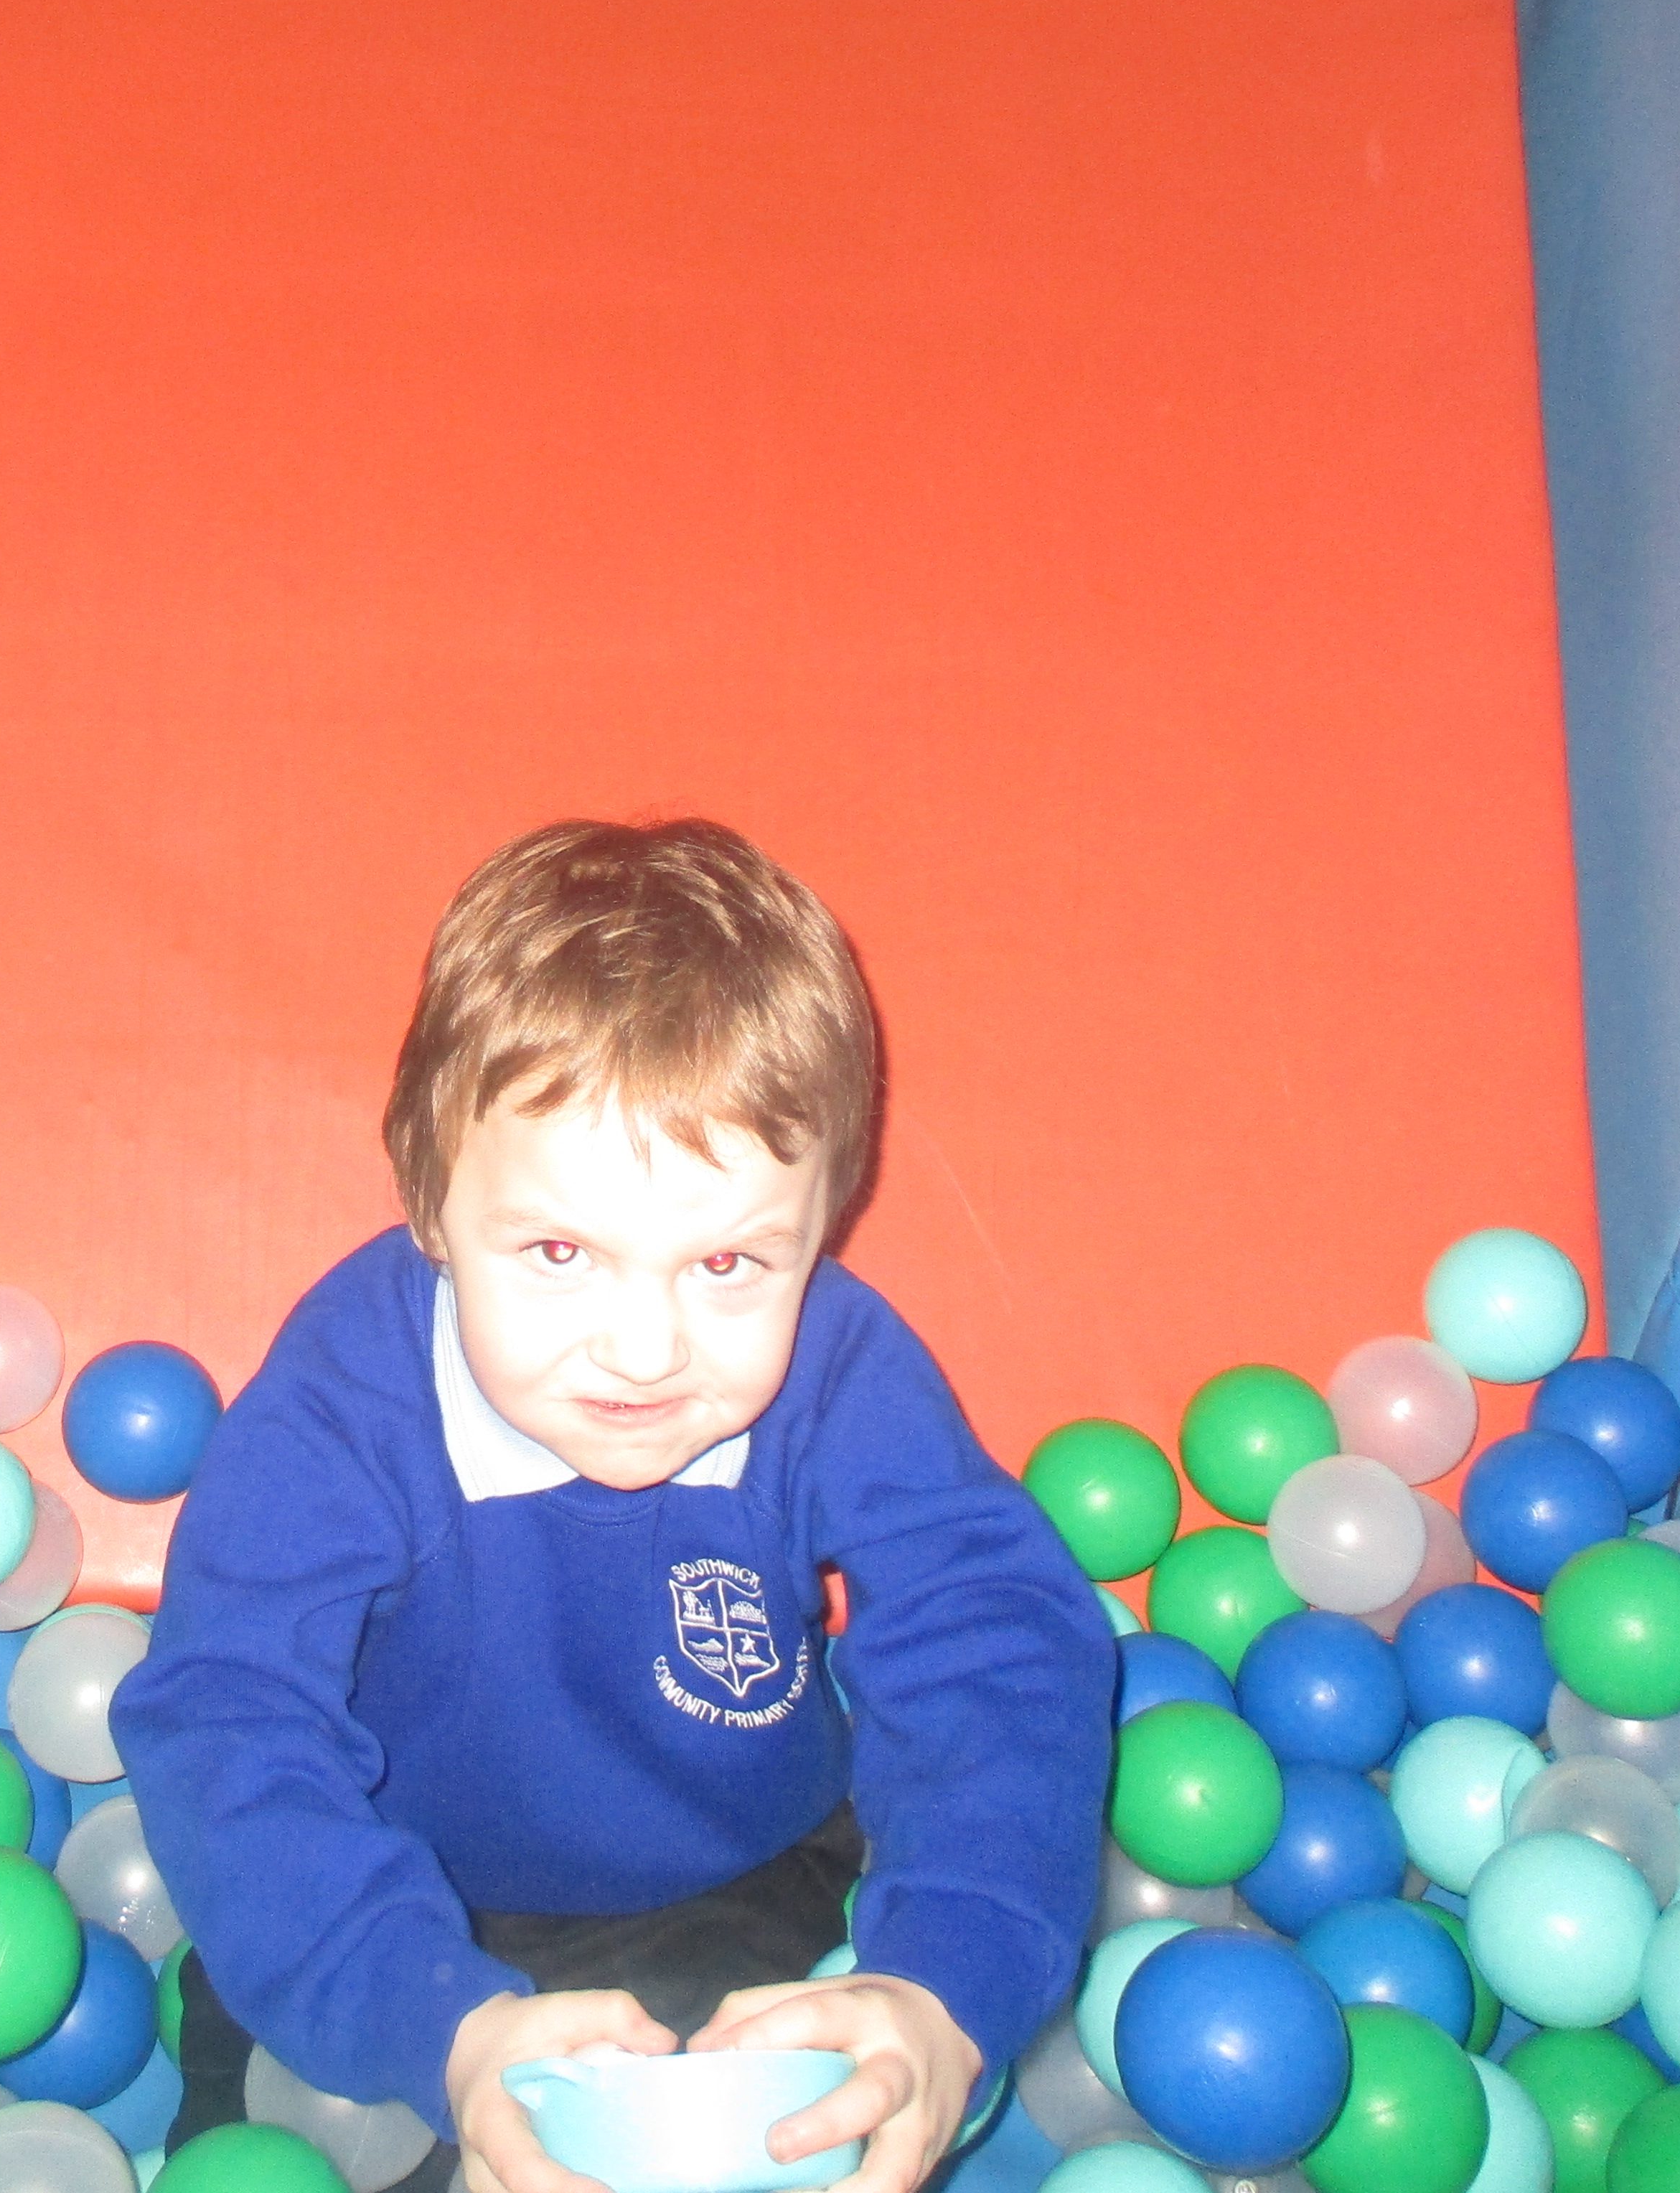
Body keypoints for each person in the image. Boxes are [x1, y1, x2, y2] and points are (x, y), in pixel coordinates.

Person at [113, 820, 1116, 2193]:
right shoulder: (345, 1403)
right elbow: (228, 1715)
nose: (645, 1350)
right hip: (383, 1898)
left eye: (729, 1265)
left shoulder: (840, 1367)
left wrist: (943, 1982)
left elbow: (994, 1636)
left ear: (825, 1224)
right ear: (430, 1204)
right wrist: (433, 2022)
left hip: (744, 1873)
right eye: (559, 1251)